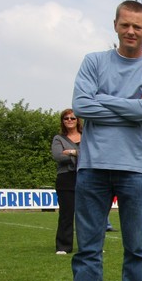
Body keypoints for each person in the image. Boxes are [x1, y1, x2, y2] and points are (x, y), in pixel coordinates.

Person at [47, 0, 142, 281]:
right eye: (125, 24)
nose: (131, 31)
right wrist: (132, 105)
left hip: (137, 168)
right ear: (115, 25)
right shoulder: (94, 61)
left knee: (136, 246)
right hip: (93, 167)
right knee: (88, 246)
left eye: (137, 26)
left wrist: (102, 99)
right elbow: (81, 106)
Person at [52, 108, 81, 254]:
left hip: (86, 177)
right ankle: (63, 246)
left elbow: (94, 153)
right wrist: (80, 155)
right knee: (66, 213)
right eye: (66, 118)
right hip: (66, 178)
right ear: (62, 121)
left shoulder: (87, 136)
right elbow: (58, 156)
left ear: (78, 120)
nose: (69, 120)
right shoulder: (58, 138)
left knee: (88, 214)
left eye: (73, 118)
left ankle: (90, 246)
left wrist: (72, 152)